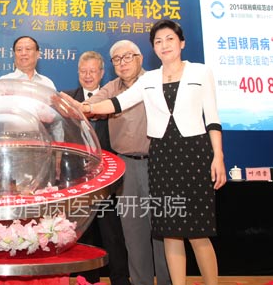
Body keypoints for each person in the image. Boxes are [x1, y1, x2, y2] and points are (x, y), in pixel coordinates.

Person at [67, 20, 226, 285]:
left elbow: (212, 118)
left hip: (194, 154)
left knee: (198, 233)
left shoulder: (200, 72)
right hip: (162, 158)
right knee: (169, 232)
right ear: (153, 48)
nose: (164, 45)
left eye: (170, 39)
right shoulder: (149, 80)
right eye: (158, 41)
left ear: (182, 43)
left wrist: (218, 156)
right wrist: (81, 107)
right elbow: (117, 103)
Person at [87, 42, 171, 285]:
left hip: (158, 164)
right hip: (126, 167)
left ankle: (167, 281)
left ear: (140, 58)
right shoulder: (112, 88)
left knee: (164, 231)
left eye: (127, 57)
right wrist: (75, 106)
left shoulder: (155, 80)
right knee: (134, 233)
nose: (122, 63)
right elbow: (92, 104)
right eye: (116, 59)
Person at [63, 51, 130, 285]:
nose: (88, 75)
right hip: (78, 181)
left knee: (112, 232)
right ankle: (87, 280)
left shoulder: (112, 99)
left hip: (107, 179)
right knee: (84, 234)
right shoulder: (67, 99)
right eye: (83, 71)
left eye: (92, 71)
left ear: (102, 73)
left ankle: (120, 279)